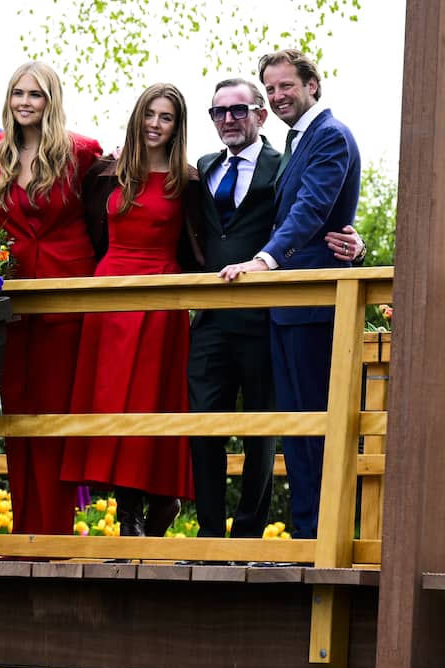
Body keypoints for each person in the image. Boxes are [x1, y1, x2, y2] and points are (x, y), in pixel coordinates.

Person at [218, 50, 362, 539]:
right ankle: (306, 536)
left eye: (286, 86)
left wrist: (264, 261)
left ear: (312, 85)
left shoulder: (330, 136)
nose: (278, 96)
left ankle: (320, 538)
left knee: (315, 426)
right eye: (271, 89)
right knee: (297, 430)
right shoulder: (298, 139)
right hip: (288, 307)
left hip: (312, 305)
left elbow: (311, 210)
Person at [0, 61, 101, 538]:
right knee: (17, 415)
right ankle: (23, 535)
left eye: (35, 94)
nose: (25, 102)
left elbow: (102, 219)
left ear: (51, 101)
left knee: (54, 417)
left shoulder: (82, 153)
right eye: (18, 93)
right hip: (11, 301)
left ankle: (55, 536)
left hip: (65, 299)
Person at [63, 83, 202, 536]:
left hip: (160, 297)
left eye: (166, 117)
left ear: (177, 126)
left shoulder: (189, 181)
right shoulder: (107, 173)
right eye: (149, 114)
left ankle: (161, 500)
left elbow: (205, 241)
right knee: (110, 400)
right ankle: (128, 512)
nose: (155, 124)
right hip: (109, 294)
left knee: (151, 400)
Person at [187, 79, 282, 541]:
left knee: (260, 429)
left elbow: (308, 216)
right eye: (218, 112)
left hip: (263, 318)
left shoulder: (282, 167)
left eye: (238, 110)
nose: (228, 119)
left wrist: (355, 243)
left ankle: (248, 538)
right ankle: (209, 535)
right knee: (203, 425)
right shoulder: (204, 167)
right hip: (209, 320)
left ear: (260, 114)